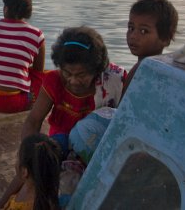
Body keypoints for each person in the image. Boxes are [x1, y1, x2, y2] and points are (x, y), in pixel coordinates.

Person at [22, 26, 126, 156]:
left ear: (96, 70)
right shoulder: (54, 80)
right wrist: (28, 156)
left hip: (97, 145)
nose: (73, 81)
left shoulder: (112, 81)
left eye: (81, 75)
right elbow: (33, 121)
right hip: (60, 142)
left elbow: (125, 123)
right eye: (67, 73)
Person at [0, 133, 62, 210]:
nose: (16, 162)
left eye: (17, 158)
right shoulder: (40, 188)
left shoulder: (29, 204)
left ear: (24, 172)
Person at [122, 0, 178, 96]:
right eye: (131, 28)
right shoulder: (167, 70)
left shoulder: (140, 71)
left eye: (143, 31)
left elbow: (122, 110)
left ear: (165, 38)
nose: (133, 35)